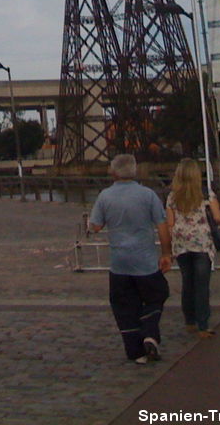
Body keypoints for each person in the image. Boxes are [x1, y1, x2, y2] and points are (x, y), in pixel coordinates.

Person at [88, 154, 172, 365]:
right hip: (145, 261)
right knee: (157, 294)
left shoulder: (105, 196)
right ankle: (150, 332)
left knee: (124, 306)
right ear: (134, 171)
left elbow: (95, 226)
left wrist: (95, 225)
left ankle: (136, 352)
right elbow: (162, 226)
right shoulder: (148, 195)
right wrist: (166, 253)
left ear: (113, 172)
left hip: (119, 263)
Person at [166, 158, 220, 339]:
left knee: (188, 282)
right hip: (202, 244)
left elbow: (170, 223)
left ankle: (189, 320)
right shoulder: (207, 195)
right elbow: (218, 217)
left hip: (182, 245)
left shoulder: (172, 197)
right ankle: (203, 324)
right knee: (202, 285)